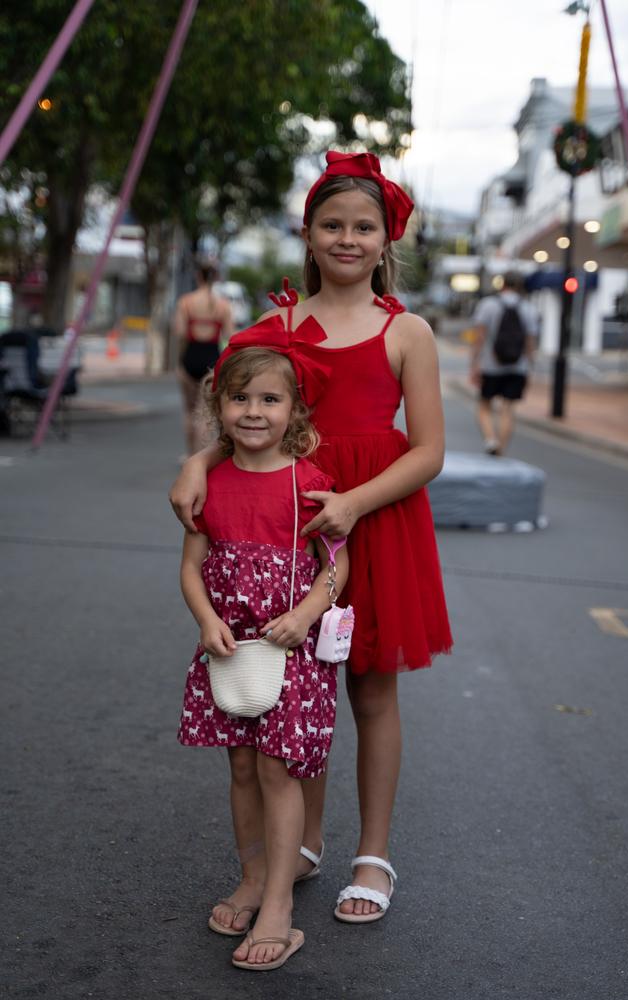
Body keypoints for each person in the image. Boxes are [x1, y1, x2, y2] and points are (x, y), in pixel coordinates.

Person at [171, 150, 452, 925]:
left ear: (386, 238)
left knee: (369, 685)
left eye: (364, 226)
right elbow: (234, 411)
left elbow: (428, 450)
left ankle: (374, 852)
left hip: (374, 514)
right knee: (304, 690)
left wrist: (355, 504)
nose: (348, 238)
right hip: (292, 525)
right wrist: (198, 459)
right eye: (332, 224)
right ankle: (305, 843)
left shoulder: (408, 331)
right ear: (308, 231)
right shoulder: (278, 326)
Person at [178, 344, 348, 970]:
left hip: (292, 651)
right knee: (243, 768)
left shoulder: (309, 483)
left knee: (278, 771)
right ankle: (251, 876)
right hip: (232, 650)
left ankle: (278, 903)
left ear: (295, 409)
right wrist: (207, 620)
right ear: (218, 406)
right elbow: (191, 568)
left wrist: (304, 616)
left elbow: (337, 563)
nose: (253, 412)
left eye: (270, 400)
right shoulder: (207, 486)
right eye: (239, 398)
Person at [469, 270, 539, 456]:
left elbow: (480, 337)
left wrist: (475, 362)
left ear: (503, 284)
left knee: (484, 405)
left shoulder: (488, 305)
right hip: (518, 366)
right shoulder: (529, 308)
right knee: (508, 408)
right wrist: (530, 366)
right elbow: (530, 343)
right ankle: (501, 447)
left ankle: (490, 439)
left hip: (491, 366)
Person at [174, 262, 234, 456]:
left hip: (189, 357)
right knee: (203, 412)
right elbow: (230, 335)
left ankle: (189, 454)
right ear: (215, 278)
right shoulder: (223, 305)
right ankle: (199, 458)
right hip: (212, 359)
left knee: (188, 410)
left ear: (198, 276)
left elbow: (180, 332)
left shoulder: (186, 302)